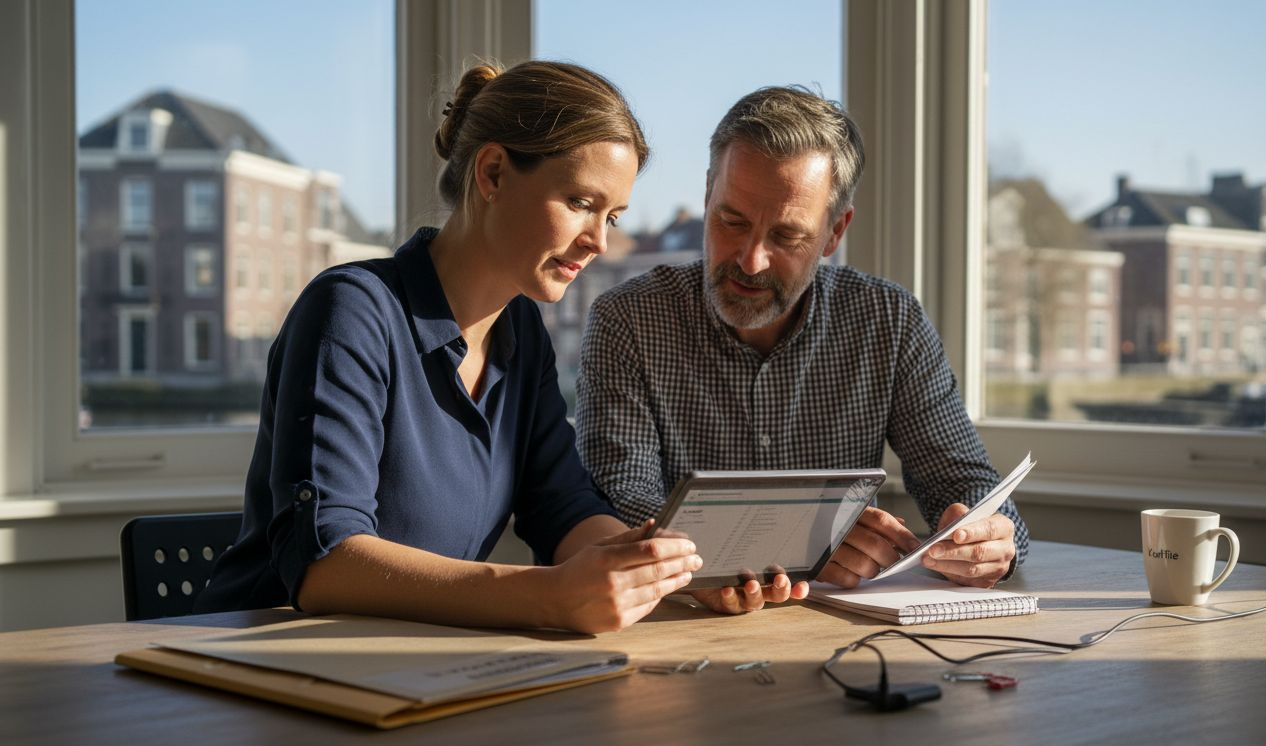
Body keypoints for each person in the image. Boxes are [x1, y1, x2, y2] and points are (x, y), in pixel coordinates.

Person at [197, 60, 736, 634]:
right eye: (581, 203)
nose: (599, 241)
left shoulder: (523, 331)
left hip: (417, 667)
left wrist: (673, 568)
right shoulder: (350, 311)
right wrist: (548, 595)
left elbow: (563, 508)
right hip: (264, 665)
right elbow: (325, 564)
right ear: (494, 173)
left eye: (614, 215)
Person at [576, 86, 1029, 596]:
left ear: (835, 232)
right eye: (731, 221)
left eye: (787, 237)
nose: (750, 260)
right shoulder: (629, 319)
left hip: (839, 640)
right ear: (707, 195)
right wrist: (793, 545)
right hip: (675, 627)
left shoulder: (889, 320)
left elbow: (963, 478)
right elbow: (617, 501)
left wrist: (989, 539)